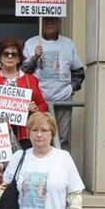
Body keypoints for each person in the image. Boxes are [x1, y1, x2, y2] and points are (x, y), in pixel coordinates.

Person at [22, 17, 85, 150]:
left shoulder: (68, 44)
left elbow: (79, 72)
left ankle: (61, 170)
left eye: (53, 20)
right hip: (39, 102)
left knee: (62, 140)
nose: (50, 23)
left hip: (63, 101)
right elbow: (22, 72)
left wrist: (71, 89)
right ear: (41, 22)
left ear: (59, 22)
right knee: (39, 137)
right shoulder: (31, 43)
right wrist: (35, 58)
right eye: (46, 20)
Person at [0, 38, 49, 148]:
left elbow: (43, 105)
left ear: (19, 58)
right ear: (0, 58)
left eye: (14, 54)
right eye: (6, 54)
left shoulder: (31, 80)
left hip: (24, 133)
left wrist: (36, 109)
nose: (10, 57)